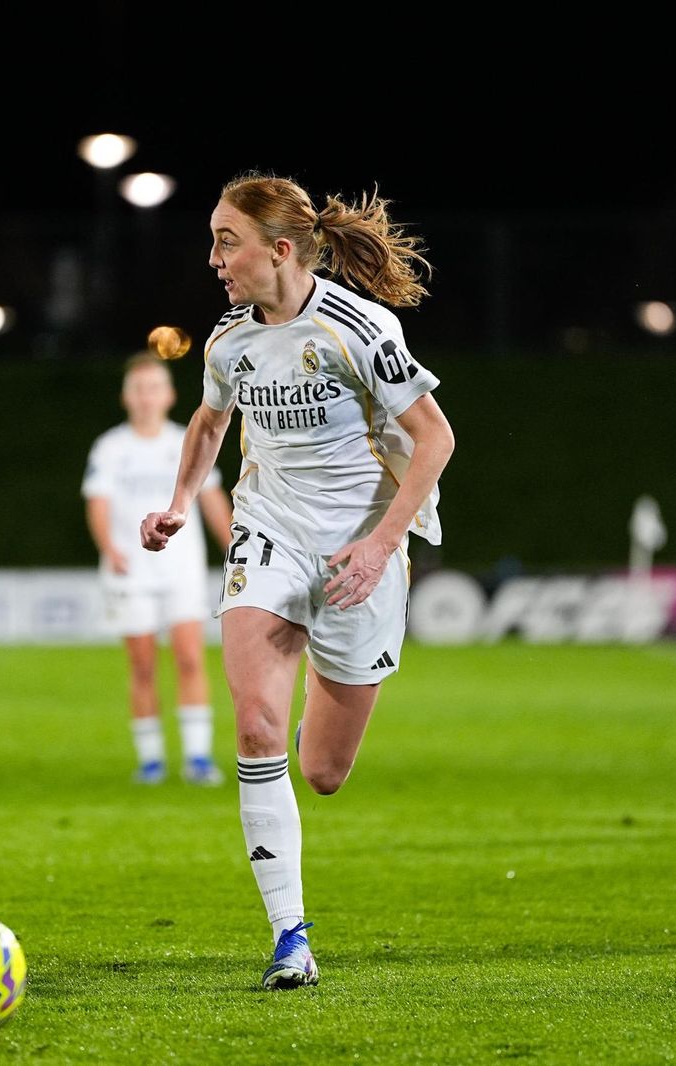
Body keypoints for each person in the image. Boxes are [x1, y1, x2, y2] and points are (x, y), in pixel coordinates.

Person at [140, 172, 455, 988]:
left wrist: (384, 545)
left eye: (226, 241)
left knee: (322, 773)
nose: (214, 257)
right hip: (267, 535)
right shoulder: (227, 339)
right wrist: (179, 503)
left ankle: (321, 656)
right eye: (213, 239)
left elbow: (435, 439)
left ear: (279, 251)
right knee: (253, 730)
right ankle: (292, 938)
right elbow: (211, 421)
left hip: (359, 554)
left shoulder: (360, 327)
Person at [83, 351, 234, 785]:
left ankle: (198, 757)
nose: (146, 397)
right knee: (143, 665)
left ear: (168, 395)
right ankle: (151, 760)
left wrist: (231, 548)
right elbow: (98, 502)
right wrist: (111, 547)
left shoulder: (184, 440)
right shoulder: (112, 447)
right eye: (138, 389)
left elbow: (211, 499)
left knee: (190, 659)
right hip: (132, 572)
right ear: (126, 397)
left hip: (181, 570)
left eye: (154, 387)